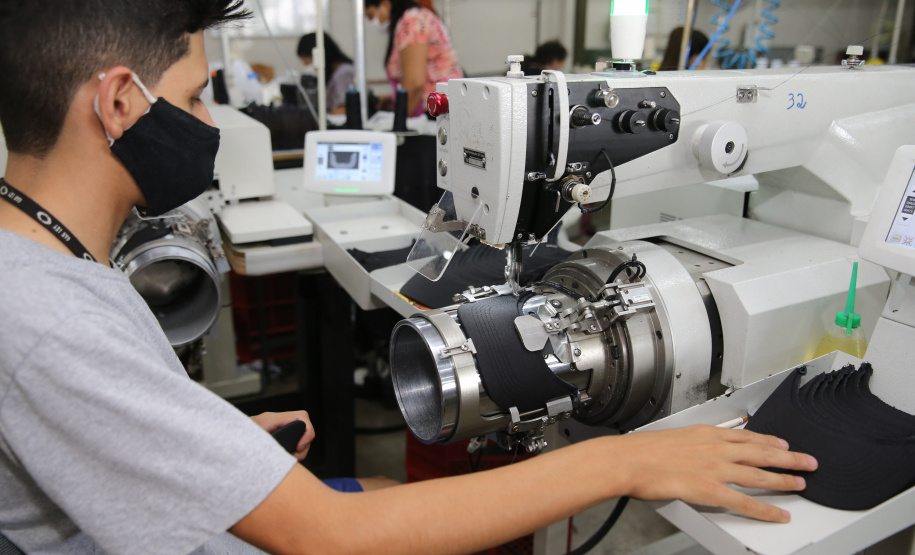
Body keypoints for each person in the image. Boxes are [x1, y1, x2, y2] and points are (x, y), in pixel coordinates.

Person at [0, 1, 819, 553]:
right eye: (197, 96)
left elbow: (91, 414)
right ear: (115, 102)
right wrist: (630, 463)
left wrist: (193, 436)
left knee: (390, 478)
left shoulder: (48, 263)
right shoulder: (45, 319)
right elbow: (330, 535)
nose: (211, 123)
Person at [364, 0, 465, 117]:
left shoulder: (412, 21)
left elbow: (415, 83)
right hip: (439, 107)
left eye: (371, 16)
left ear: (385, 4)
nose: (372, 22)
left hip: (438, 110)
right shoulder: (411, 19)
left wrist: (400, 121)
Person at [297, 32, 355, 114]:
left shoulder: (343, 73)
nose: (311, 68)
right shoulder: (335, 73)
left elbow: (343, 109)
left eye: (309, 62)